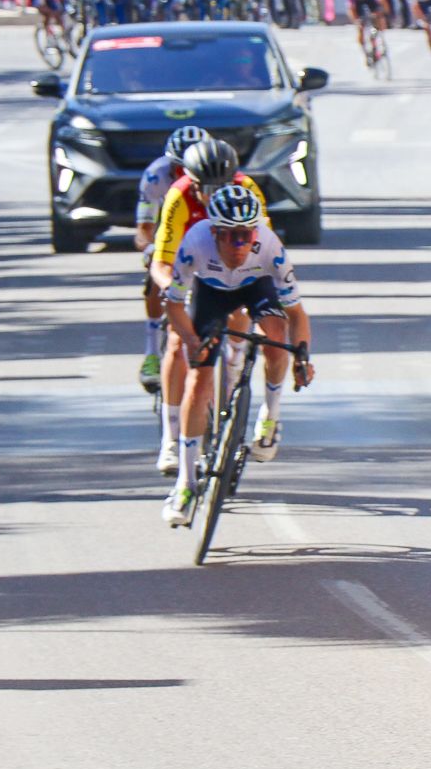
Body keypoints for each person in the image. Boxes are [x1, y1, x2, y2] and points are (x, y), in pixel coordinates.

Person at [159, 186, 314, 525]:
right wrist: (191, 340)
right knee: (198, 380)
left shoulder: (270, 246)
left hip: (256, 286)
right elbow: (173, 304)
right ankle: (185, 484)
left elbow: (297, 314)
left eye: (247, 235)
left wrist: (302, 358)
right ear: (215, 232)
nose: (240, 244)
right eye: (231, 236)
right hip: (210, 293)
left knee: (276, 339)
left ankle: (270, 416)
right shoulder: (195, 242)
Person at [148, 136, 271, 474]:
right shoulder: (179, 196)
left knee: (241, 313)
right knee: (178, 342)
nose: (214, 195)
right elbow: (161, 263)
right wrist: (173, 289)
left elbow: (264, 251)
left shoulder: (247, 191)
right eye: (206, 188)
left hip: (234, 266)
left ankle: (234, 366)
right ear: (192, 182)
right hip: (190, 266)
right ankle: (171, 438)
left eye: (222, 186)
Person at [134, 126, 209, 394]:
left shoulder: (215, 174)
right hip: (170, 236)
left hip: (203, 234)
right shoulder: (156, 175)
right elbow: (144, 229)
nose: (185, 175)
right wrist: (150, 250)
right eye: (179, 168)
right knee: (156, 274)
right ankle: (152, 353)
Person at [344, 0, 390, 64]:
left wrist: (386, 13)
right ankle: (365, 52)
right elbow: (351, 8)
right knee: (360, 27)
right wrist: (357, 21)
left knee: (378, 16)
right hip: (357, 2)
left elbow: (382, 0)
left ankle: (376, 38)